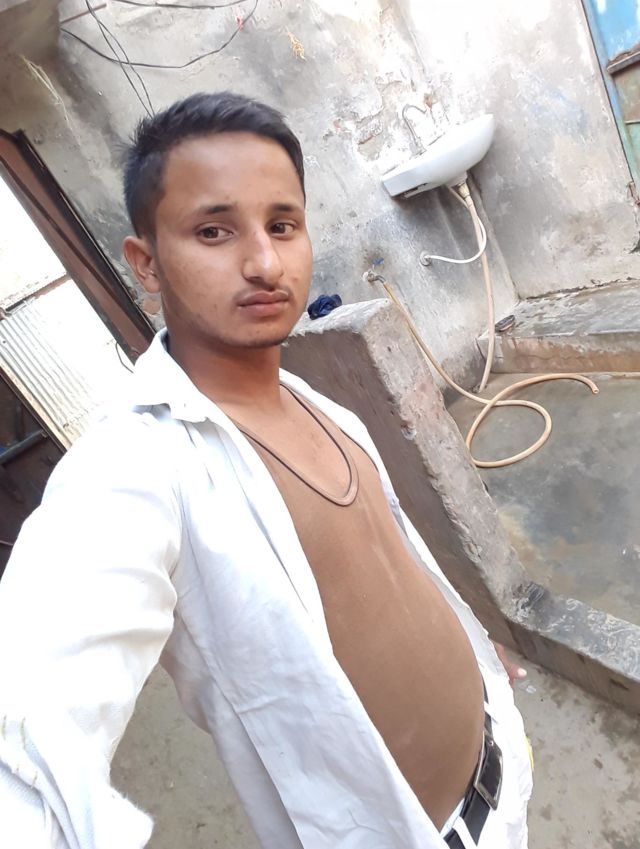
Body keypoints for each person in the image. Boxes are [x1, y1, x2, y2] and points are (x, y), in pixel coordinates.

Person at [0, 92, 532, 849]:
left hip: (503, 767)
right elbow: (25, 728)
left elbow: (392, 567)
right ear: (146, 263)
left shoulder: (318, 403)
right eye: (213, 231)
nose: (264, 263)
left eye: (283, 225)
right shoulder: (136, 467)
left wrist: (471, 652)